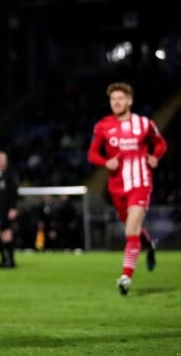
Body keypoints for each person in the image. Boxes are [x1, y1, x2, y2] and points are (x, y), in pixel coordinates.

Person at [87, 82, 166, 295]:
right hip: (116, 187)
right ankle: (149, 244)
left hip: (140, 183)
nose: (116, 102)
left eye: (120, 98)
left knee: (130, 231)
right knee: (134, 230)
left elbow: (160, 143)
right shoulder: (103, 126)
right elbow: (92, 154)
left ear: (129, 101)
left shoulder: (144, 123)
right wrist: (106, 162)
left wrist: (154, 157)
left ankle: (125, 278)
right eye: (113, 99)